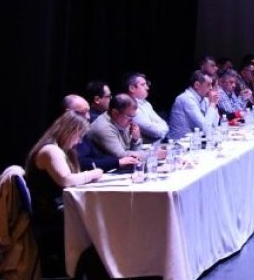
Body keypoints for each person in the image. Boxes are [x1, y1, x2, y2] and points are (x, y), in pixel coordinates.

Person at [24, 112, 105, 267]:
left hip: (55, 206)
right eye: (79, 136)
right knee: (100, 214)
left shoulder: (58, 149)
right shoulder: (51, 150)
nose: (79, 141)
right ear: (70, 131)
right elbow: (66, 180)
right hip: (49, 211)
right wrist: (92, 174)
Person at [87, 94, 144, 163]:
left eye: (133, 116)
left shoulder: (122, 121)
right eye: (129, 116)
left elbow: (132, 153)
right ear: (115, 113)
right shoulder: (103, 128)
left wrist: (135, 140)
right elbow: (122, 156)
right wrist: (149, 154)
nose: (132, 120)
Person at [167, 70, 221, 141]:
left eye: (211, 85)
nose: (211, 88)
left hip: (194, 141)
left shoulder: (204, 99)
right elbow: (205, 128)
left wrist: (214, 105)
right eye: (208, 85)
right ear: (197, 85)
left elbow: (214, 125)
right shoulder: (186, 99)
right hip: (178, 143)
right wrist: (212, 104)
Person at [124, 72, 167, 142]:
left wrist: (161, 129)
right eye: (143, 85)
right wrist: (161, 128)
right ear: (132, 88)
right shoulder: (130, 107)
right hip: (143, 146)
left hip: (157, 143)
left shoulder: (146, 103)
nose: (147, 87)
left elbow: (164, 125)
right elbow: (156, 132)